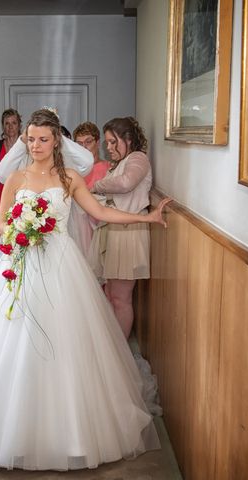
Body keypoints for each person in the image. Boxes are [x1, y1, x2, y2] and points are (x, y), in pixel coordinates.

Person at [0, 109, 170, 471]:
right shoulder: (15, 177)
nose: (36, 145)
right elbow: (1, 221)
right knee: (11, 340)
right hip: (20, 265)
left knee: (65, 342)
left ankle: (69, 429)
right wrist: (20, 232)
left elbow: (101, 214)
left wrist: (145, 217)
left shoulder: (71, 177)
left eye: (43, 139)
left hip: (60, 265)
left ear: (57, 140)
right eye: (30, 139)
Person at [89, 117, 153, 339]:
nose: (108, 148)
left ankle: (121, 352)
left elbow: (126, 184)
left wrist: (96, 185)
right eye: (106, 143)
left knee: (121, 298)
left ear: (127, 139)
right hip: (114, 228)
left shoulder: (138, 158)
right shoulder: (120, 163)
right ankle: (114, 346)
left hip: (128, 232)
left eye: (112, 142)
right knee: (110, 293)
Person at [67, 121, 111, 259]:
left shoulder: (108, 168)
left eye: (88, 142)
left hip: (101, 224)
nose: (84, 147)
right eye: (79, 144)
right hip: (78, 228)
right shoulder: (72, 172)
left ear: (97, 143)